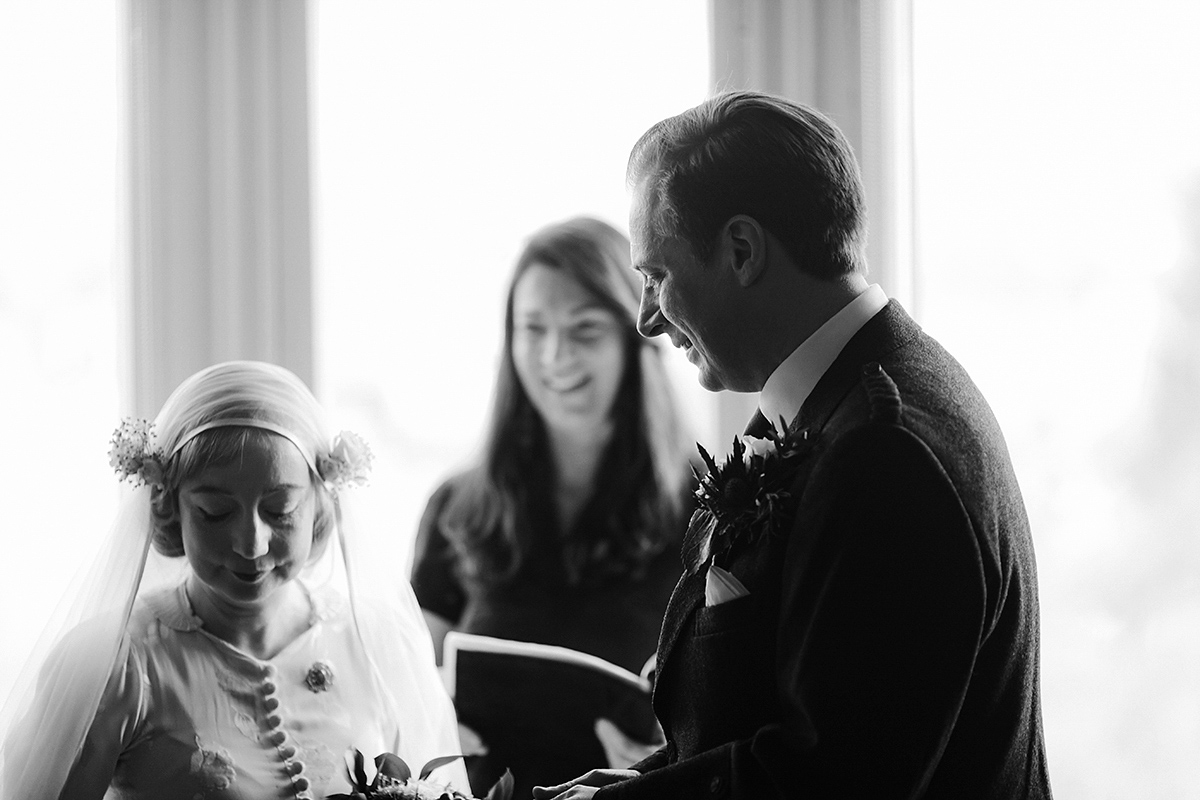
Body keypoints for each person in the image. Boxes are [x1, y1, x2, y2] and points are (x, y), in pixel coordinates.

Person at [536, 92, 1053, 799]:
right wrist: (637, 782)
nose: (648, 319)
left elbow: (835, 777)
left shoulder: (886, 453)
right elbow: (797, 717)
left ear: (742, 251)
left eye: (655, 275)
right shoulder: (831, 404)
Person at [0, 361, 466, 800]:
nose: (251, 544)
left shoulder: (378, 642)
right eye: (215, 513)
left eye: (280, 510)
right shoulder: (115, 667)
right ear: (171, 509)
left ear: (319, 504)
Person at [410, 217, 695, 795]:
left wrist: (672, 757)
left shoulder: (705, 507)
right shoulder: (457, 507)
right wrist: (437, 730)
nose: (554, 356)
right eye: (533, 329)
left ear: (634, 340)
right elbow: (406, 687)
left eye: (584, 330)